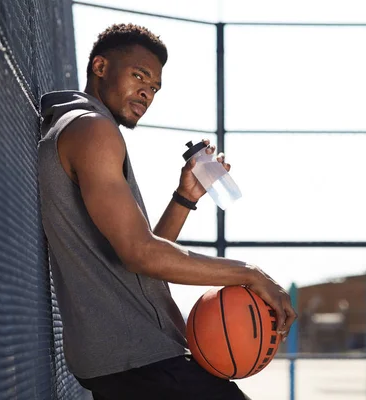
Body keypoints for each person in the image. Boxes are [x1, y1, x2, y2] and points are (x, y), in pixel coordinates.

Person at [37, 23, 297, 400]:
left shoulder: (83, 128)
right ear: (100, 66)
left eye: (155, 87)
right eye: (138, 76)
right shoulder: (93, 130)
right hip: (138, 361)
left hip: (133, 362)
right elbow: (140, 254)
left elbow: (134, 257)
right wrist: (249, 274)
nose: (147, 92)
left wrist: (184, 197)